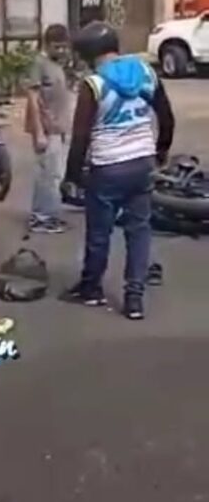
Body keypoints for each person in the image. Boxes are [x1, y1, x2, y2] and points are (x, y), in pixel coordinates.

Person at [63, 21, 175, 320]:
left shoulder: (94, 85)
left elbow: (80, 137)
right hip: (142, 163)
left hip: (107, 167)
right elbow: (166, 117)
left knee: (100, 232)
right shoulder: (146, 73)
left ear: (88, 54)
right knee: (139, 230)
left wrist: (71, 176)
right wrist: (161, 150)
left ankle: (91, 289)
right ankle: (134, 298)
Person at [24, 23, 73, 234]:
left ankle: (49, 213)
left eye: (64, 47)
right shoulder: (39, 64)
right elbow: (33, 100)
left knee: (55, 174)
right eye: (57, 47)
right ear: (47, 44)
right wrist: (39, 132)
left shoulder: (57, 65)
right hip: (46, 128)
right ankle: (41, 217)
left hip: (58, 128)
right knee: (48, 175)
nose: (61, 51)